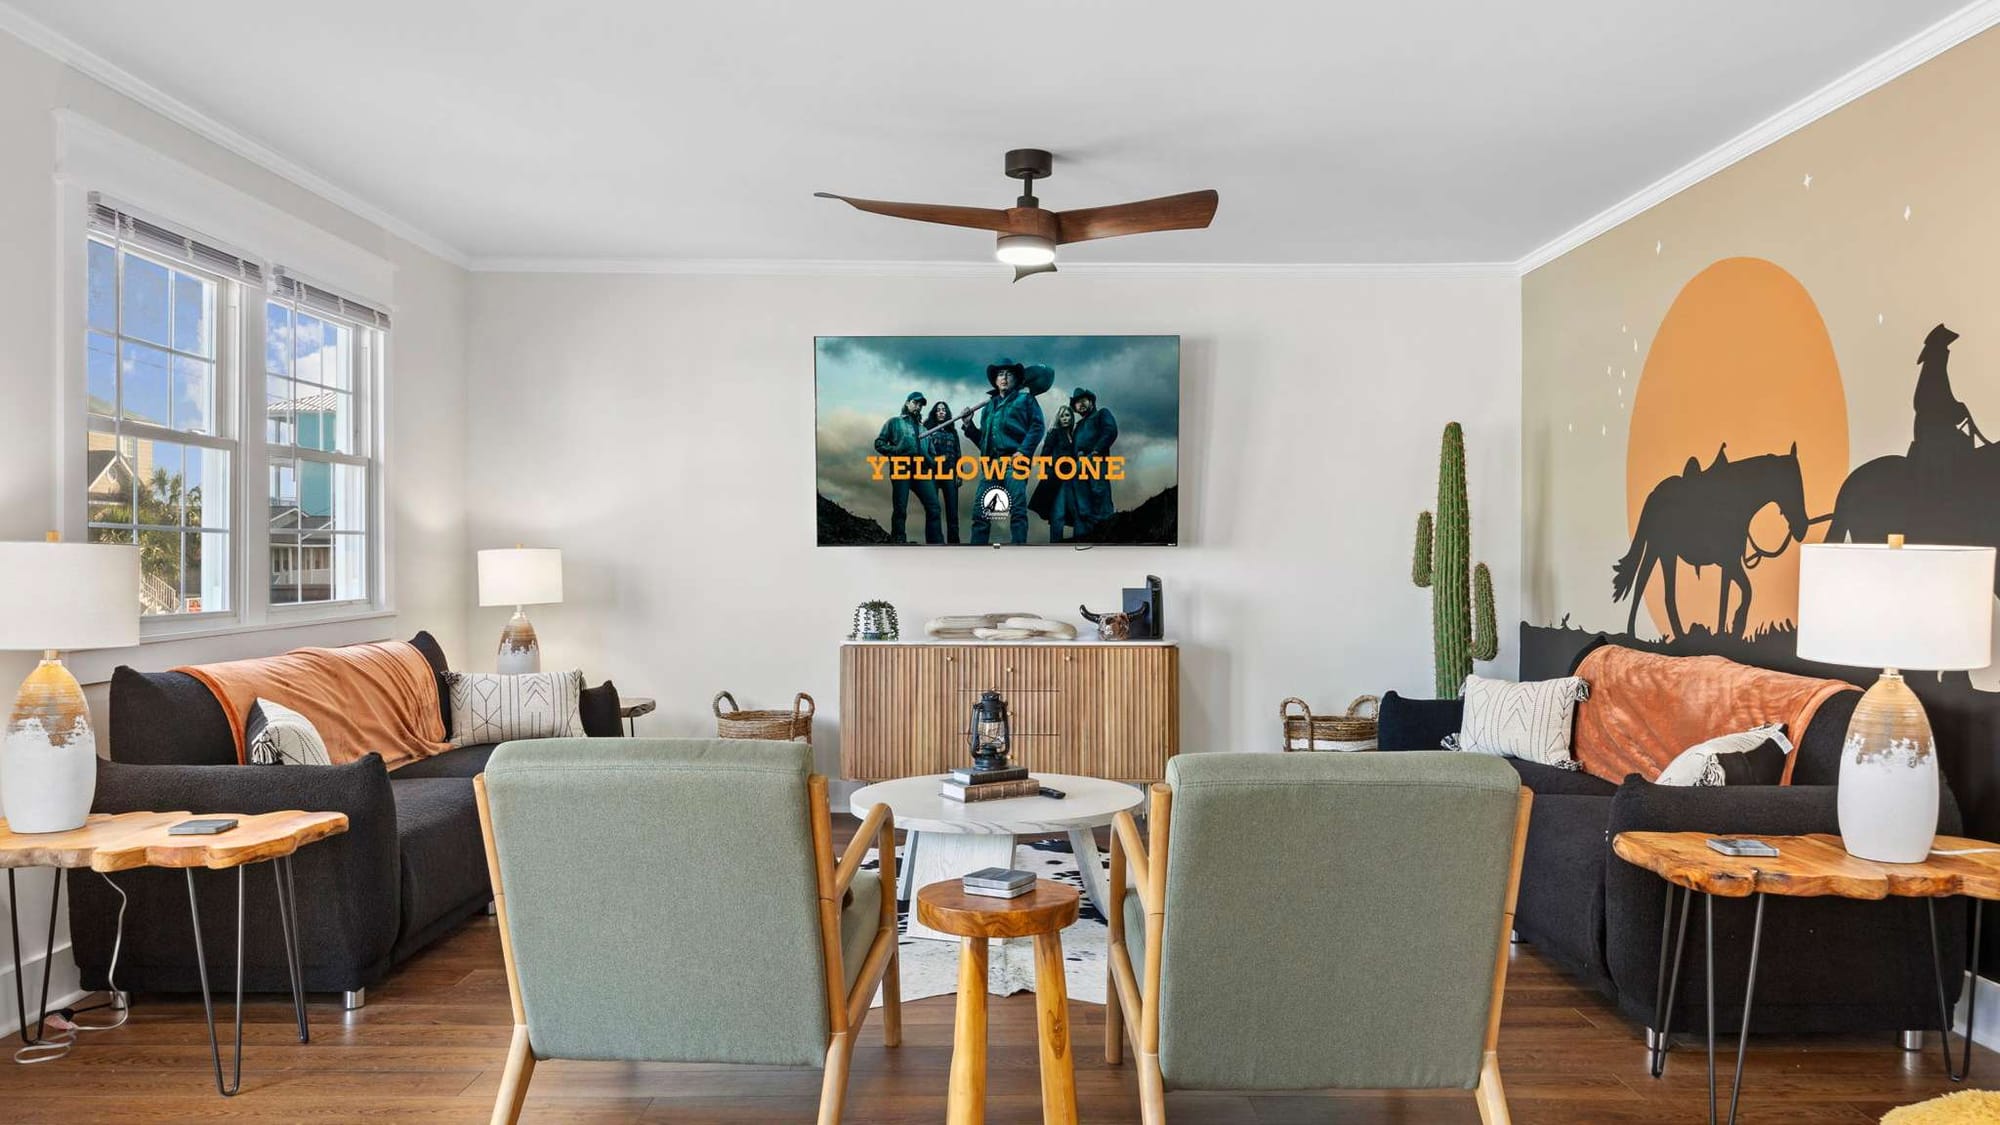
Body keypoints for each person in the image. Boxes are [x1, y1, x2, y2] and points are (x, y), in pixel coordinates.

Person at [963, 358, 1045, 546]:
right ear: (995, 380)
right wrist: (969, 425)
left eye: (1009, 374)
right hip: (991, 465)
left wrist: (1023, 451)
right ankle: (976, 555)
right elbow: (984, 441)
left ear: (1017, 379)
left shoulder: (1026, 400)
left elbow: (1037, 427)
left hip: (1014, 463)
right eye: (1000, 374)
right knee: (980, 513)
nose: (1005, 377)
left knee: (1017, 510)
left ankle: (1018, 550)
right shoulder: (988, 407)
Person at [873, 390, 940, 544]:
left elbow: (934, 457)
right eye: (915, 403)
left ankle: (935, 542)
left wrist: (928, 458)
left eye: (921, 405)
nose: (918, 407)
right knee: (900, 509)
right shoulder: (894, 422)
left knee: (934, 508)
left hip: (921, 471)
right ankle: (898, 540)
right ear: (907, 403)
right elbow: (879, 443)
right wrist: (896, 450)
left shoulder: (925, 430)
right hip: (901, 468)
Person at [1070, 387, 1119, 533]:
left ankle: (1107, 532)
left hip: (1098, 460)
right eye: (1077, 403)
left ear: (1091, 401)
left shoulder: (1101, 414)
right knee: (1083, 502)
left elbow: (1110, 431)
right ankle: (1090, 535)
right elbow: (1075, 445)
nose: (1081, 404)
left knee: (1100, 494)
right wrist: (1077, 455)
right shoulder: (1078, 426)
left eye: (1083, 400)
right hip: (1080, 466)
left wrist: (1096, 451)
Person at [1030, 404, 1081, 542]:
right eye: (1062, 416)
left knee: (1077, 512)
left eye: (1067, 415)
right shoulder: (1055, 433)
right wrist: (1051, 471)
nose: (1065, 418)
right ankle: (1056, 546)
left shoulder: (1074, 434)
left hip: (1073, 479)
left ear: (1071, 417)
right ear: (1059, 418)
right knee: (1058, 514)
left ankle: (1079, 544)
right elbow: (1044, 456)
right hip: (1057, 479)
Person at [923, 399, 963, 544]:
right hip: (932, 473)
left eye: (944, 410)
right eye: (939, 409)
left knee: (952, 512)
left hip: (950, 473)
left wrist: (960, 473)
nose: (941, 412)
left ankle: (954, 543)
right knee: (933, 511)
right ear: (934, 412)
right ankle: (934, 543)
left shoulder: (953, 432)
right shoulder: (927, 429)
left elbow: (958, 453)